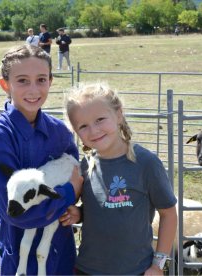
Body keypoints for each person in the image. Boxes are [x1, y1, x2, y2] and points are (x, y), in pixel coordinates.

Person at [0, 44, 83, 275]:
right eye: (23, 80)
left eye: (41, 79)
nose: (33, 89)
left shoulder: (60, 132)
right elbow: (16, 212)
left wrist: (76, 208)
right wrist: (65, 194)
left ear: (51, 81)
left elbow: (78, 181)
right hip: (21, 250)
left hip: (60, 245)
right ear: (5, 84)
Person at [61, 82, 177, 275]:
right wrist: (79, 214)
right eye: (83, 126)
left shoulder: (146, 163)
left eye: (100, 119)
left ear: (119, 115)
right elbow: (100, 208)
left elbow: (169, 214)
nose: (94, 130)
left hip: (135, 270)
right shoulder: (85, 165)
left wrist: (158, 264)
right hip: (87, 270)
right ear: (76, 131)